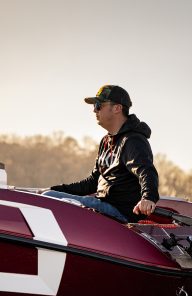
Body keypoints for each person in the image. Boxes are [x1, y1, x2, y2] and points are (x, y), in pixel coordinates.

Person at [43, 85, 159, 222]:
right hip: (101, 205)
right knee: (49, 194)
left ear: (117, 108)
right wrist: (55, 189)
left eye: (98, 105)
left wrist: (148, 198)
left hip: (120, 213)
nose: (94, 110)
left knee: (48, 197)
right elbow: (93, 182)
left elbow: (146, 171)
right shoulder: (105, 141)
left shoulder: (133, 141)